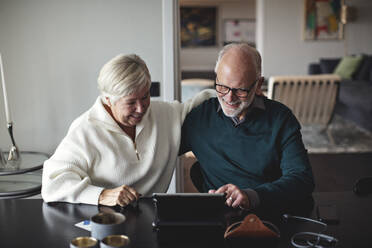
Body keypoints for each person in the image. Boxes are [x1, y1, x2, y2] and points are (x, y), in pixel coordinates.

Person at [42, 54, 214, 206]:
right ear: (108, 100)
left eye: (145, 96)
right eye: (131, 102)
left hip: (149, 217)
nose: (141, 108)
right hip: (104, 221)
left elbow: (204, 102)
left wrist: (231, 91)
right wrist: (101, 195)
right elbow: (52, 184)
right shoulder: (85, 130)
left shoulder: (164, 114)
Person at [180, 43, 315, 216]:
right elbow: (156, 150)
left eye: (241, 90)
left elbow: (302, 179)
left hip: (270, 216)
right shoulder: (199, 118)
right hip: (219, 219)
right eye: (222, 86)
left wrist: (251, 196)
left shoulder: (280, 118)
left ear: (259, 84)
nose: (229, 97)